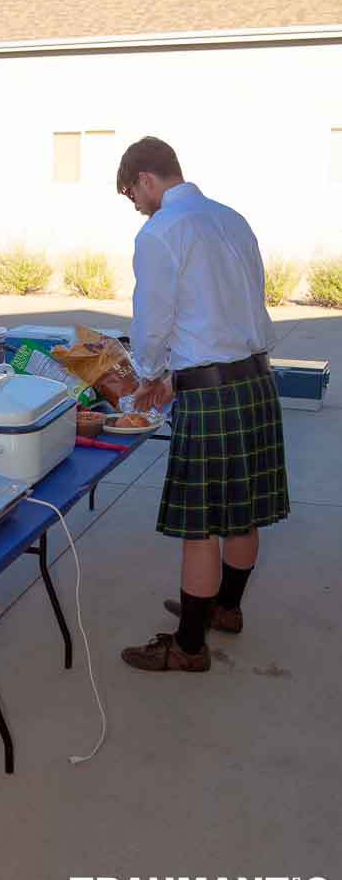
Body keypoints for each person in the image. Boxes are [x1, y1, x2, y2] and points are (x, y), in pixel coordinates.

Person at [116, 137, 289, 673]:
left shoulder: (162, 230)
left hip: (211, 397)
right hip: (255, 382)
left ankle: (189, 646)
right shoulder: (232, 219)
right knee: (241, 512)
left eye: (132, 195)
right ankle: (227, 608)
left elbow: (153, 319)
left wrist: (148, 375)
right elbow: (234, 306)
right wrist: (175, 375)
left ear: (147, 178)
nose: (137, 207)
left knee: (201, 527)